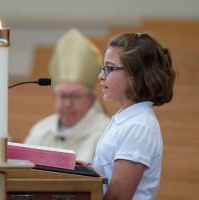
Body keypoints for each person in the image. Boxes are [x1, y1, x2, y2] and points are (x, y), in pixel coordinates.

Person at [93, 32, 176, 199]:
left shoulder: (138, 126)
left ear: (134, 74)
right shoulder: (126, 117)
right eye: (103, 67)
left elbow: (118, 197)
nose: (101, 75)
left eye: (109, 68)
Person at [24, 28, 111, 163]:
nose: (67, 104)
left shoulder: (106, 133)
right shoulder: (41, 130)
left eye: (75, 96)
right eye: (62, 96)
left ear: (91, 99)